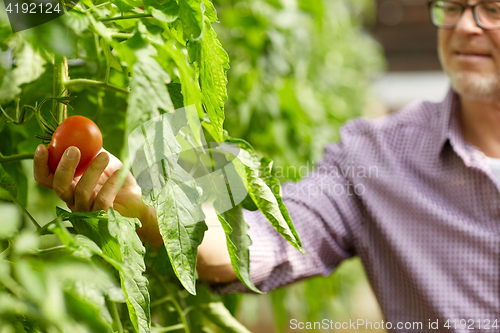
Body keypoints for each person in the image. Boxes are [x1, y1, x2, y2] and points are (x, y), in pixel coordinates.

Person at [33, 0, 500, 329]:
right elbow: (258, 244)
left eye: (492, 9)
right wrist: (149, 205)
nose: (465, 26)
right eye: (454, 6)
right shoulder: (378, 157)